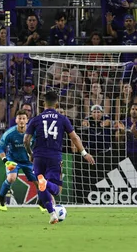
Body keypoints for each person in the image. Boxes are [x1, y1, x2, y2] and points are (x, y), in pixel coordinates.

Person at [23, 90, 95, 224]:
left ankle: (52, 214)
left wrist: (30, 154)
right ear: (56, 104)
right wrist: (84, 153)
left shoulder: (36, 119)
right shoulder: (62, 119)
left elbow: (26, 140)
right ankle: (47, 186)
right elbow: (74, 137)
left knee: (41, 186)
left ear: (44, 103)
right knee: (56, 190)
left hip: (38, 156)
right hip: (54, 156)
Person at [0, 109, 43, 212]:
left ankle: (41, 202)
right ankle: (0, 199)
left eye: (24, 118)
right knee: (11, 178)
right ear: (16, 120)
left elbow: (39, 144)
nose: (21, 121)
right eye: (19, 118)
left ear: (27, 120)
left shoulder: (33, 133)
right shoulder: (10, 133)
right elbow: (0, 148)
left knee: (39, 182)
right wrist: (6, 161)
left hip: (28, 161)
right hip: (13, 160)